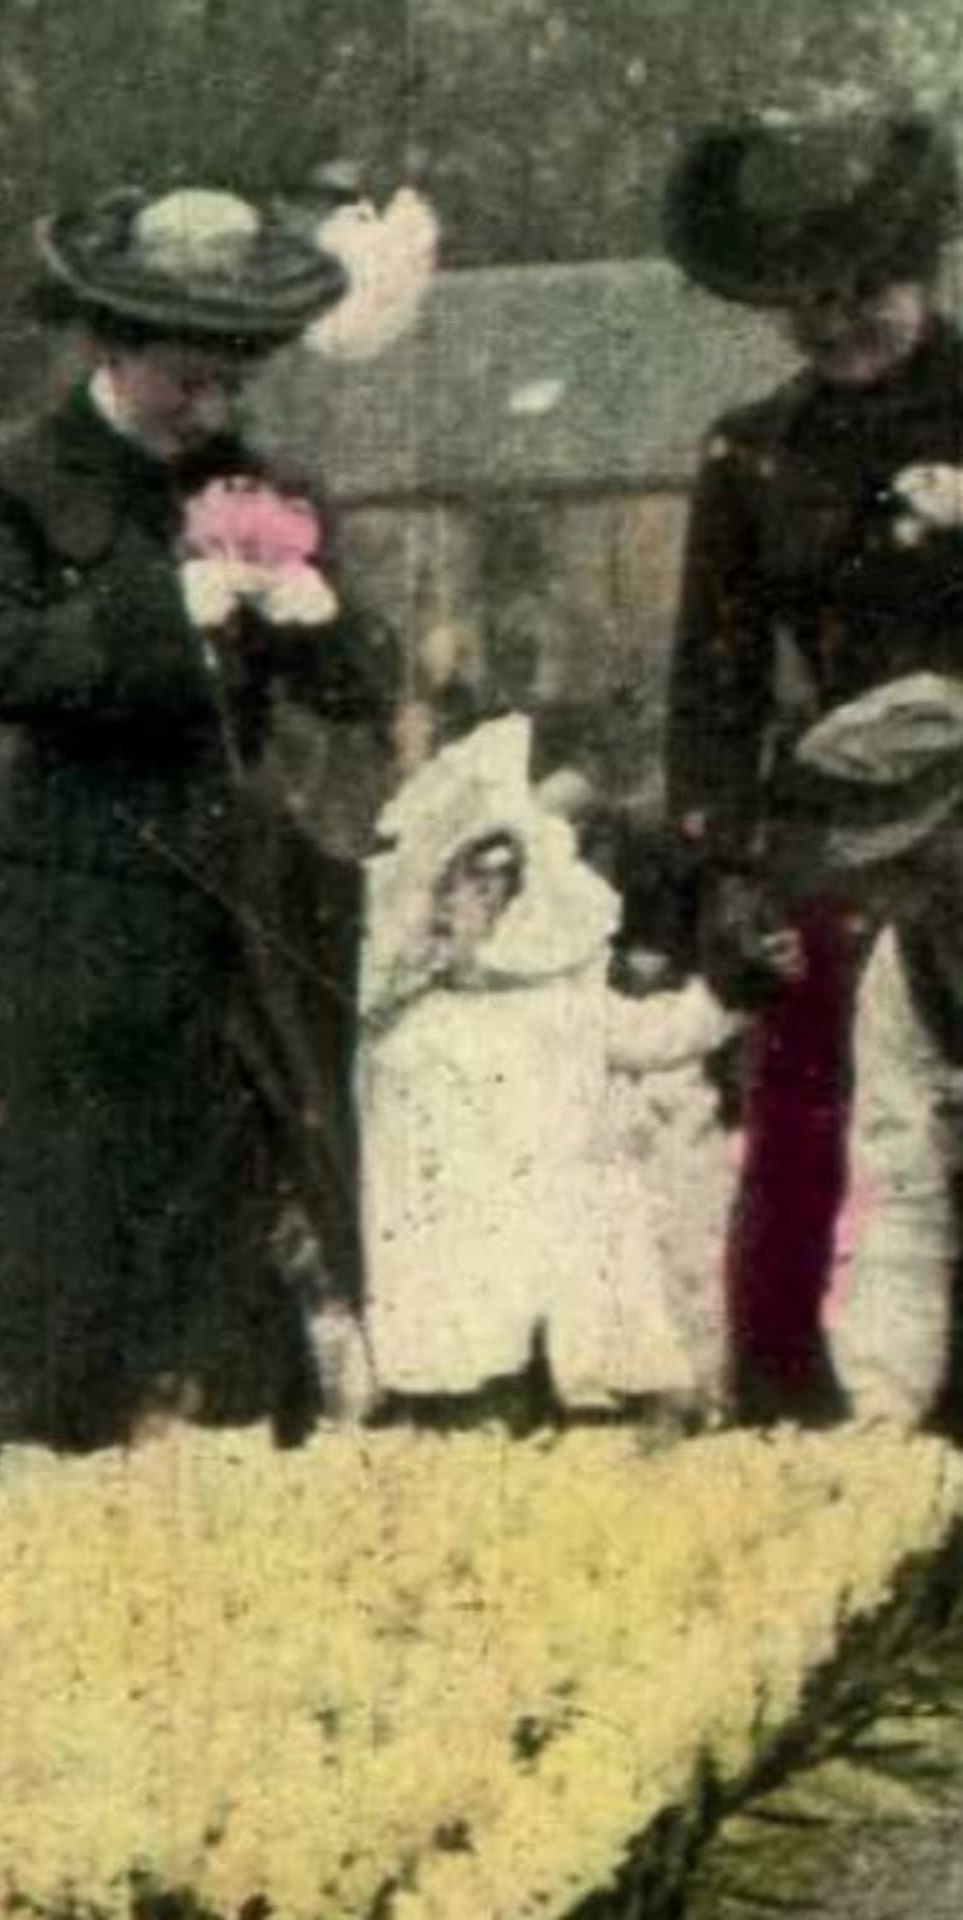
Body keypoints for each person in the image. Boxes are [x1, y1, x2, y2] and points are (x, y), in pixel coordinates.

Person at [0, 186, 395, 1480]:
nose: (213, 410)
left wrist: (318, 618)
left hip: (214, 917)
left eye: (233, 381)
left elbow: (363, 690)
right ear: (105, 348)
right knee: (32, 1235)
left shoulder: (269, 486)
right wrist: (163, 607)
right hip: (46, 914)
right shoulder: (3, 482)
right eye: (187, 381)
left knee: (211, 1233)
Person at [661, 111, 963, 1420]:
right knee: (801, 1134)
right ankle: (788, 1442)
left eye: (863, 296)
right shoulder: (751, 451)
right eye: (803, 304)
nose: (836, 328)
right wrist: (723, 865)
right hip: (833, 827)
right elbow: (714, 678)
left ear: (925, 270)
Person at [358, 715, 736, 1429]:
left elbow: (655, 1035)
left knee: (570, 1385)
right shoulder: (406, 1025)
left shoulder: (553, 999)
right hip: (452, 1265)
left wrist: (726, 995)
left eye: (490, 887)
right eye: (453, 889)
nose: (466, 907)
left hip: (562, 1259)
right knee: (465, 1384)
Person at [792, 673, 963, 1428]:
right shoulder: (909, 969)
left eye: (916, 860)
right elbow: (901, 1187)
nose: (896, 899)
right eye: (878, 874)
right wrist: (885, 1396)